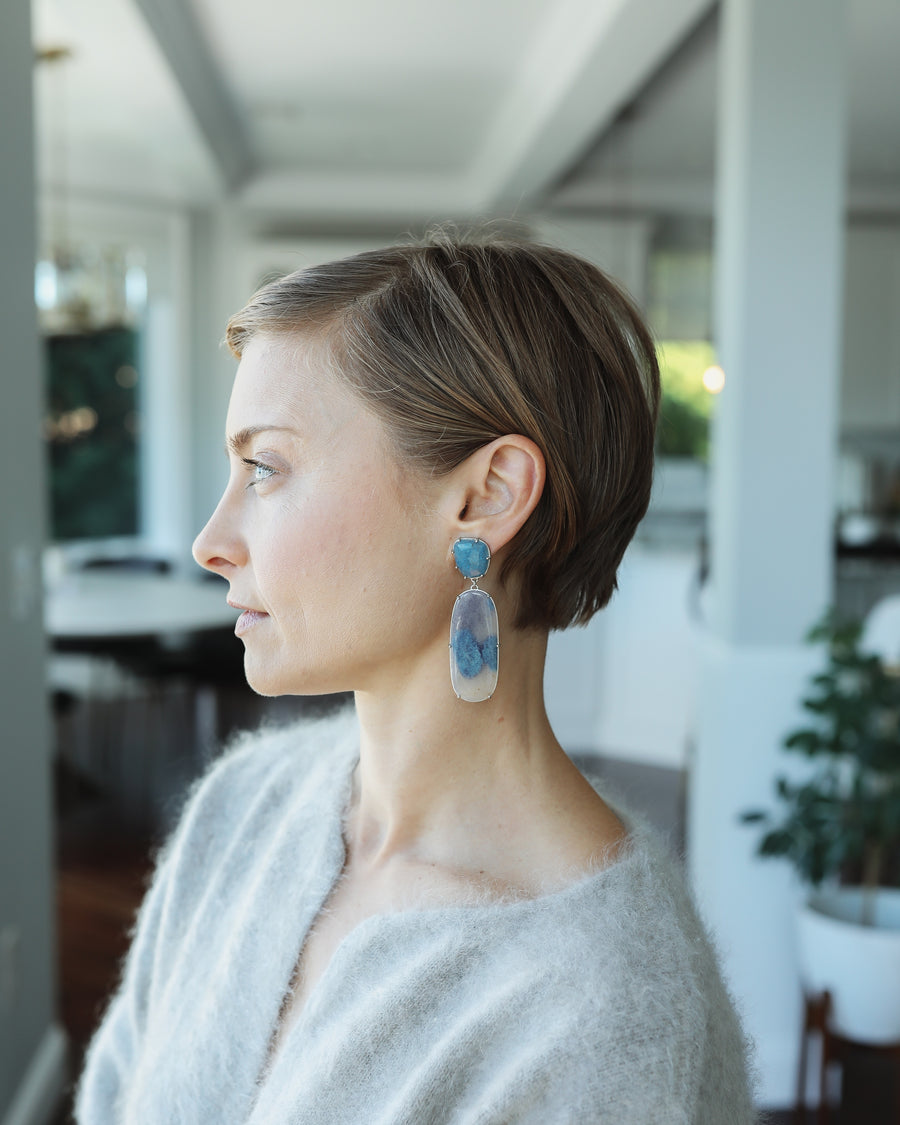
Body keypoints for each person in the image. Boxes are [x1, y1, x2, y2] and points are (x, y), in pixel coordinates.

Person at [74, 227, 762, 1123]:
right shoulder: (240, 804)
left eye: (266, 468)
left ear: (486, 496)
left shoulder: (602, 1011)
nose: (211, 541)